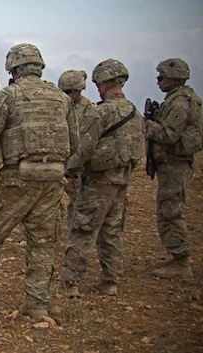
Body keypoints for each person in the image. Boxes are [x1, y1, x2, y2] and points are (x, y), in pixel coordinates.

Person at [0, 43, 78, 320]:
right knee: (43, 243)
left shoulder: (8, 96)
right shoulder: (61, 98)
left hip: (16, 177)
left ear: (13, 68)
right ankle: (37, 306)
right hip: (52, 179)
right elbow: (74, 142)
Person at [60, 59, 143, 298]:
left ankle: (70, 282)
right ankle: (110, 281)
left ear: (106, 82)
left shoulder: (101, 112)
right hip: (121, 181)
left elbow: (85, 148)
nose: (96, 87)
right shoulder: (134, 112)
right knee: (112, 231)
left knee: (83, 229)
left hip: (98, 182)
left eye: (98, 83)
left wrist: (69, 171)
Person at [146, 58, 202, 279]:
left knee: (170, 210)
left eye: (162, 77)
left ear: (174, 77)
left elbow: (169, 135)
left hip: (176, 164)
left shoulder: (179, 103)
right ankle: (178, 256)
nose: (159, 81)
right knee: (169, 208)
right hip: (174, 163)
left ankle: (181, 261)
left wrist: (149, 126)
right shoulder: (180, 99)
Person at [57, 70, 96, 226]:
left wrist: (71, 171)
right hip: (62, 163)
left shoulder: (90, 111)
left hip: (79, 167)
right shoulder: (62, 106)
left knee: (79, 202)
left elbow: (86, 144)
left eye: (68, 92)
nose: (65, 95)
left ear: (78, 90)